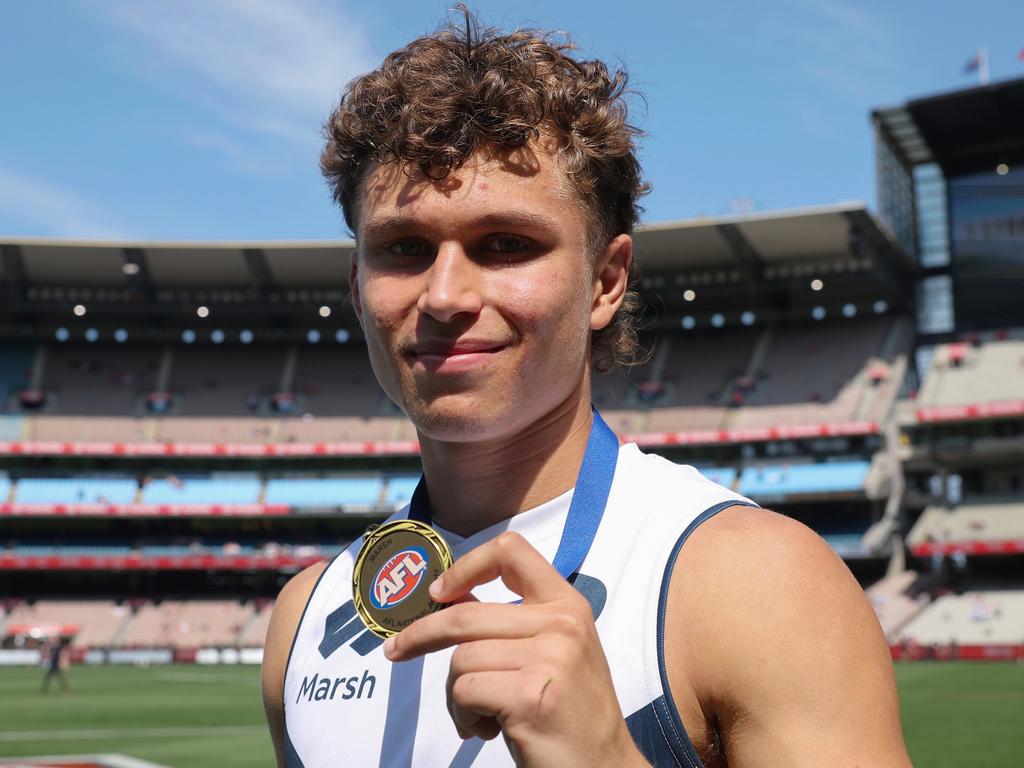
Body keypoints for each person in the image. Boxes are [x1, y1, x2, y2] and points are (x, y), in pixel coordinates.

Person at [262, 10, 912, 767]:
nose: (443, 295)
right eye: (403, 249)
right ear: (357, 284)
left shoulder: (753, 582)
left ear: (606, 282)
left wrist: (609, 757)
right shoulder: (307, 617)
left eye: (506, 244)